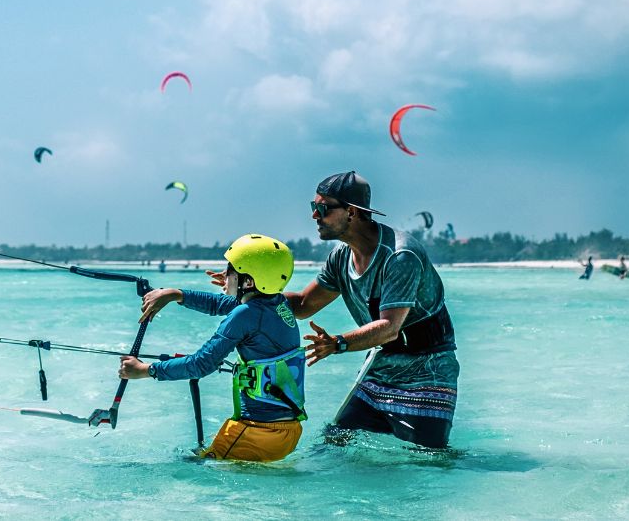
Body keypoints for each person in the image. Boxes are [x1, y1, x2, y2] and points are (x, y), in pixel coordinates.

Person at [284, 171, 459, 449]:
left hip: (428, 372)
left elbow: (389, 328)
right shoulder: (340, 257)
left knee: (431, 461)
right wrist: (252, 292)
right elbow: (304, 306)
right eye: (313, 208)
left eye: (322, 209)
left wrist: (338, 343)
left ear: (351, 211)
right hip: (380, 369)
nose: (314, 216)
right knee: (335, 443)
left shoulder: (400, 256)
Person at [118, 234, 306, 462]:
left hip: (257, 432)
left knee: (192, 469)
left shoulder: (246, 314)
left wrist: (146, 370)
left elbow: (201, 364)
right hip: (289, 432)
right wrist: (175, 294)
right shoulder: (277, 304)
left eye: (230, 270)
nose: (225, 274)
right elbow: (218, 303)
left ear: (247, 282)